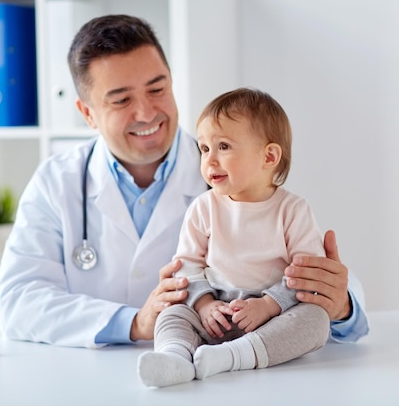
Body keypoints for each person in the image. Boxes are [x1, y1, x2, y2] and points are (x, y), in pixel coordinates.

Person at [0, 14, 369, 349]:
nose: (146, 113)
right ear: (87, 113)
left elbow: (328, 294)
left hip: (226, 375)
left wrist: (342, 304)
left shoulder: (239, 171)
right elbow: (18, 300)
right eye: (121, 100)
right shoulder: (57, 182)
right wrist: (135, 323)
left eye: (157, 89)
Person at [137, 88, 330, 387]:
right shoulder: (203, 207)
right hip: (214, 310)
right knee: (172, 313)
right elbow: (185, 265)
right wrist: (203, 306)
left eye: (223, 146)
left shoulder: (293, 210)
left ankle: (233, 356)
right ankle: (175, 358)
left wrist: (268, 305)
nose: (210, 160)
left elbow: (306, 274)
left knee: (316, 320)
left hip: (269, 317)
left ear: (269, 156)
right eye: (204, 149)